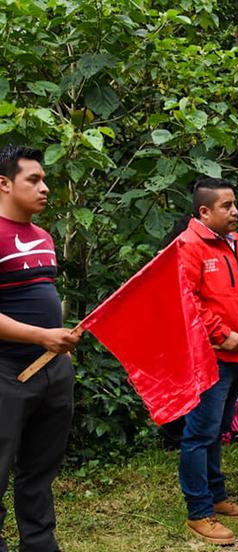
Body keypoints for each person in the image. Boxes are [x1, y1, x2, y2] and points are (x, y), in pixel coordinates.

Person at [0, 145, 81, 552]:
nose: (45, 187)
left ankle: (39, 543)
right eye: (33, 179)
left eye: (44, 179)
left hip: (53, 370)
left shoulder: (45, 237)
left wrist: (58, 343)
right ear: (4, 184)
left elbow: (41, 296)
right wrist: (40, 336)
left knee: (40, 468)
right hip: (6, 373)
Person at [176, 178, 238, 545]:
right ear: (204, 212)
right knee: (199, 433)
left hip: (236, 351)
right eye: (227, 206)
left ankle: (216, 495)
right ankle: (199, 511)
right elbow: (188, 300)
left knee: (218, 429)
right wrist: (218, 333)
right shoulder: (189, 245)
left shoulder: (228, 243)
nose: (235, 211)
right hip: (210, 355)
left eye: (234, 205)